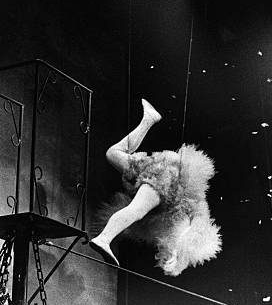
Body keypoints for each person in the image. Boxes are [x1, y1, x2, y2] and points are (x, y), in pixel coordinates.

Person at [90, 98, 221, 276]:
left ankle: (148, 119)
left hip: (157, 175)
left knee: (113, 154)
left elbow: (179, 237)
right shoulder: (195, 206)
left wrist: (174, 255)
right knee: (136, 210)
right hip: (164, 181)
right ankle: (104, 239)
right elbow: (189, 234)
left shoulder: (188, 217)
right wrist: (177, 254)